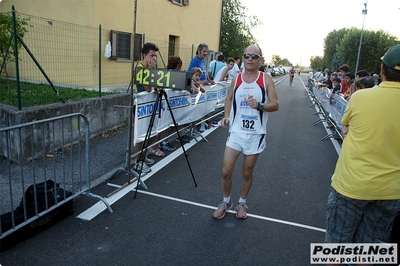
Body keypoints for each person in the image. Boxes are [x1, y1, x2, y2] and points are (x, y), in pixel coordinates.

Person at [325, 44, 400, 257]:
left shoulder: (361, 97)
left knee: (335, 249)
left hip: (352, 184)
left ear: (382, 70)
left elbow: (346, 126)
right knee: (369, 252)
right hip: (391, 191)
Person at [212, 45, 279, 219]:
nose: (250, 59)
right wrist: (226, 116)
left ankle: (242, 202)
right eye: (247, 56)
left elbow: (276, 104)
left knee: (246, 172)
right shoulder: (237, 78)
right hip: (236, 132)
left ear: (261, 60)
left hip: (255, 134)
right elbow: (228, 99)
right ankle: (226, 201)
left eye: (254, 56)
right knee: (226, 171)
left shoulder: (266, 79)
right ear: (242, 58)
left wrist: (260, 105)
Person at [133, 42, 160, 173]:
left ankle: (142, 157)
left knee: (147, 134)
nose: (154, 58)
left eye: (155, 56)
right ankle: (138, 161)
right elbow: (147, 87)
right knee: (140, 135)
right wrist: (150, 70)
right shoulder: (139, 69)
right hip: (139, 106)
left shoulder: (150, 69)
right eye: (152, 55)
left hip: (147, 105)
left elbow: (154, 86)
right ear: (145, 55)